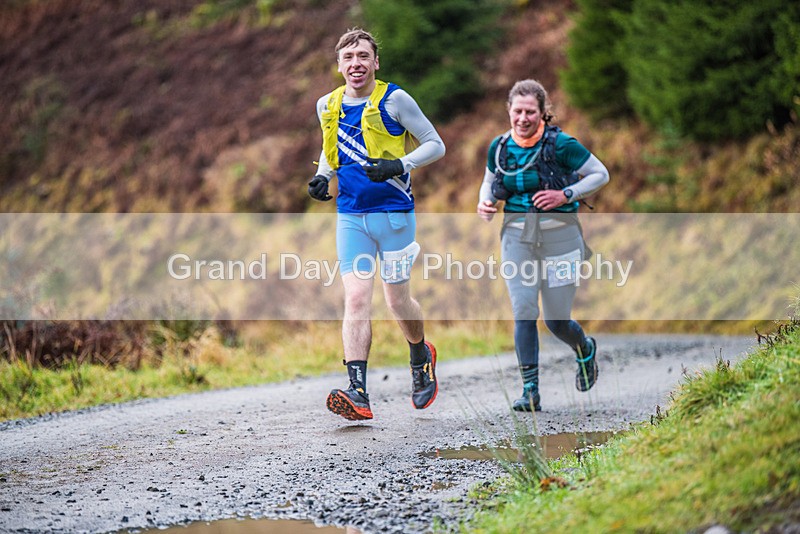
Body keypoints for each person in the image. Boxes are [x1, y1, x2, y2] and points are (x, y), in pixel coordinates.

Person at [308, 28, 446, 421]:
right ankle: (358, 392)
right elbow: (329, 148)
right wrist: (323, 176)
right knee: (355, 299)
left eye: (363, 56)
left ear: (375, 62)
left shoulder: (395, 99)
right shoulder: (327, 105)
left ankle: (420, 355)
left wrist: (400, 164)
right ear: (339, 64)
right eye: (349, 57)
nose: (356, 64)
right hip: (350, 217)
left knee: (396, 300)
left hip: (395, 216)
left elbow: (436, 143)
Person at [477, 79, 609, 411]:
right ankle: (530, 390)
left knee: (556, 320)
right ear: (508, 110)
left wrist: (564, 194)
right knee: (523, 309)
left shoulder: (561, 144)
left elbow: (599, 174)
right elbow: (490, 181)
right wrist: (485, 204)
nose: (523, 118)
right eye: (517, 111)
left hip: (561, 237)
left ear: (542, 112)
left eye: (530, 112)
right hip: (517, 237)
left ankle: (584, 348)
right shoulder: (500, 146)